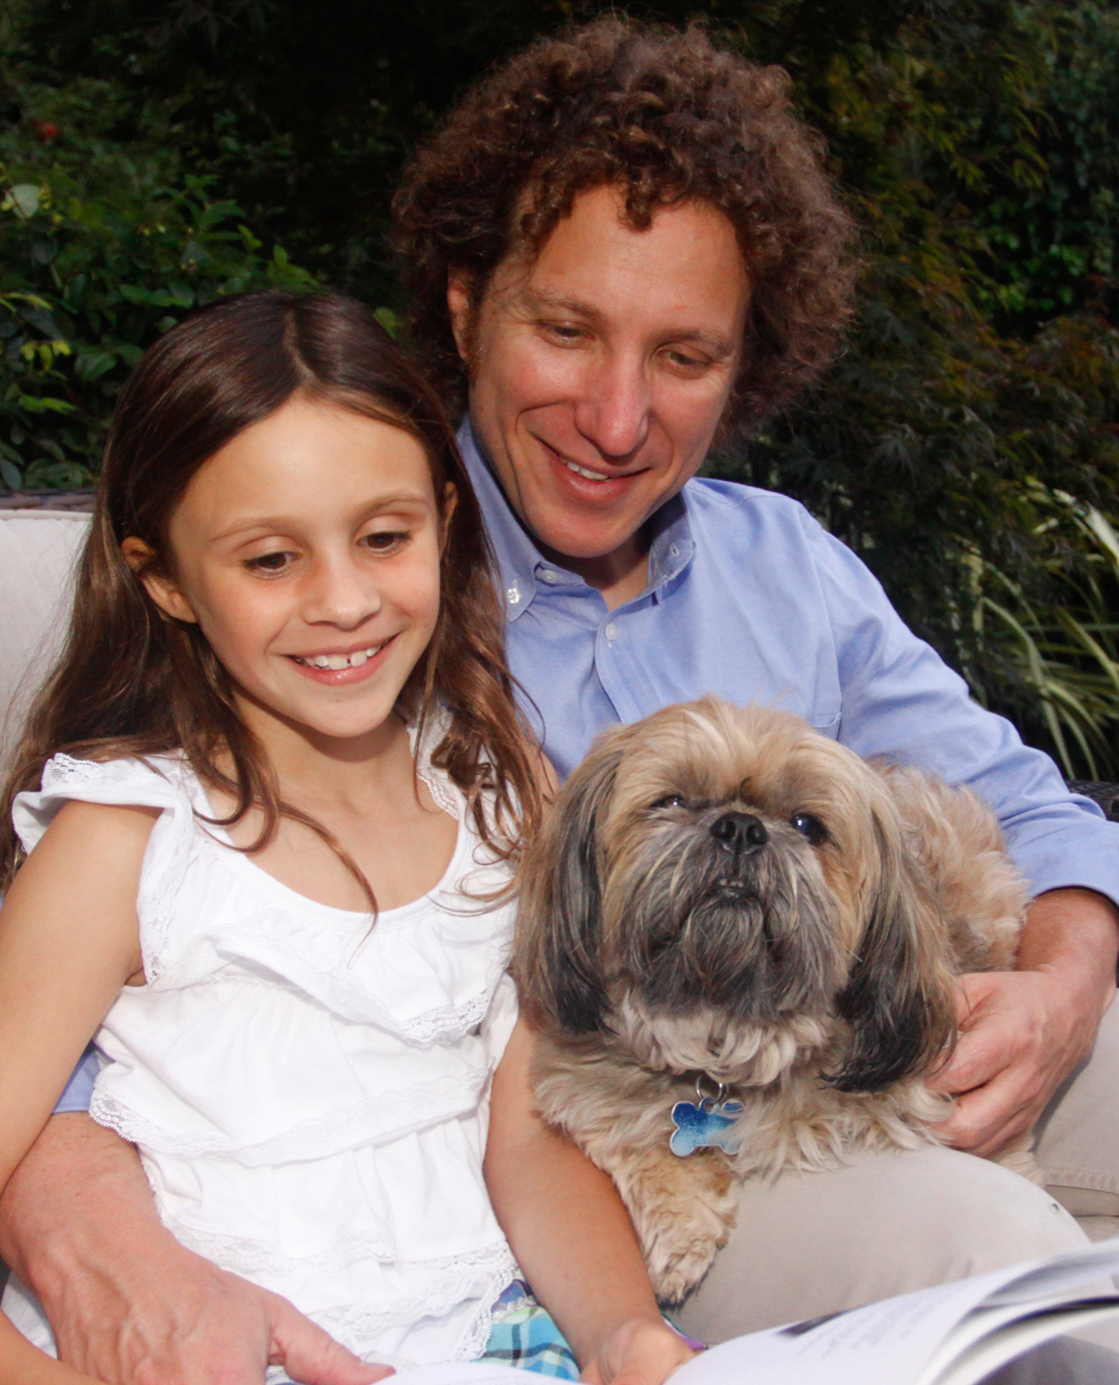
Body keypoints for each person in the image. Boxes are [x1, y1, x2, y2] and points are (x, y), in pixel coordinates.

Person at [2, 16, 1118, 1385]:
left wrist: (1063, 982)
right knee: (1004, 1271)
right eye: (567, 329)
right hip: (649, 1153)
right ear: (468, 304)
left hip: (859, 1053)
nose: (612, 416)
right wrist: (70, 1198)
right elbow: (151, 989)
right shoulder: (376, 593)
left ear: (749, 365)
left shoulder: (782, 564)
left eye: (684, 356)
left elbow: (1022, 803)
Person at [0, 290, 696, 1385]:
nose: (344, 600)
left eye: (384, 537)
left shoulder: (506, 797)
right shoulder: (125, 836)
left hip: (476, 1343)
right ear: (165, 577)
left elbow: (529, 1139)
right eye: (270, 560)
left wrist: (622, 1333)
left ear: (446, 519)